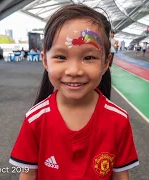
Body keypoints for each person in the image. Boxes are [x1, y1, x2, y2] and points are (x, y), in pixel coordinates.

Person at [9, 4, 139, 180]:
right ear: (45, 61)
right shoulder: (35, 120)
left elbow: (121, 175)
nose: (74, 70)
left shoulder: (119, 121)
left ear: (106, 62)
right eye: (61, 57)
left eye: (89, 57)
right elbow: (28, 174)